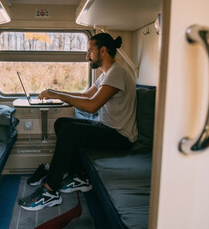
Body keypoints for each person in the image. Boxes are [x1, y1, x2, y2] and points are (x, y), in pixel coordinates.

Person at [18, 33, 138, 211]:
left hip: (121, 137)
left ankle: (50, 191)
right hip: (107, 128)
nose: (87, 56)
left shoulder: (116, 72)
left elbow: (92, 106)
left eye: (90, 51)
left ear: (103, 51)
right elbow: (84, 95)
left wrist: (57, 95)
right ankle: (79, 175)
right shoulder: (106, 74)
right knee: (62, 124)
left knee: (69, 131)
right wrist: (55, 93)